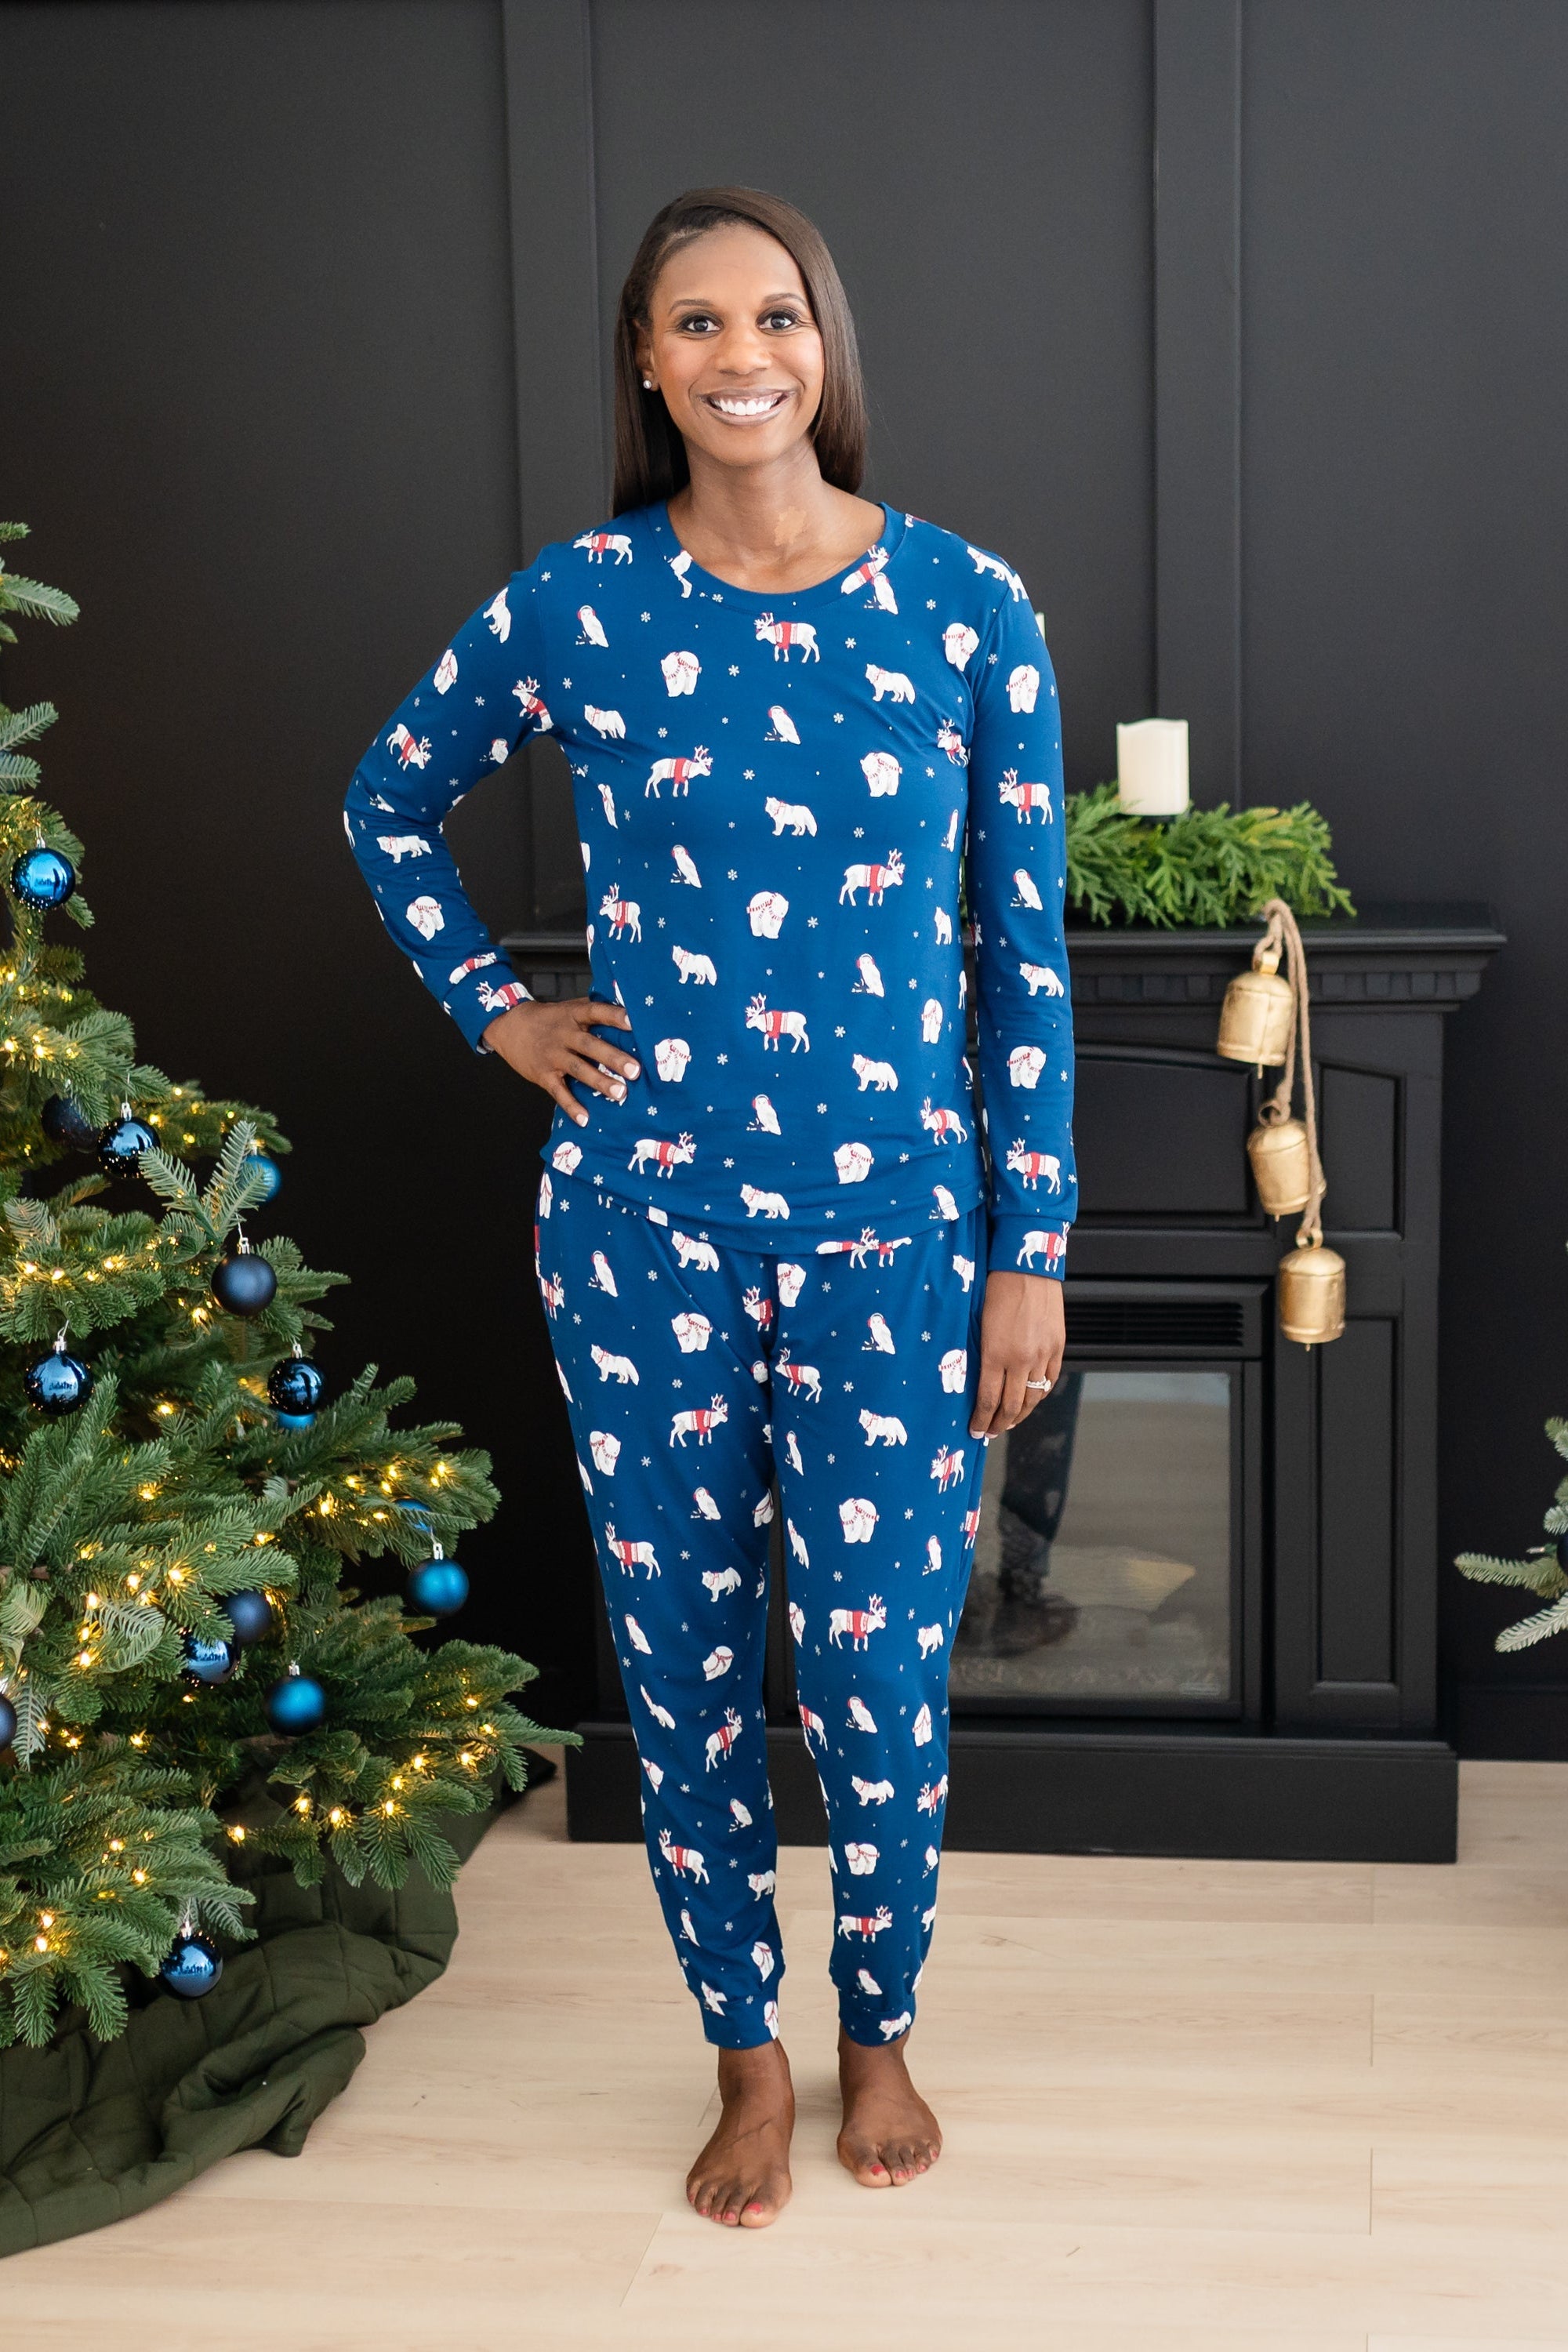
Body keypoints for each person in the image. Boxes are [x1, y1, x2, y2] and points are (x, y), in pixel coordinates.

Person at [344, 185, 1077, 2229]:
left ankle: (879, 2033)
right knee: (679, 1669)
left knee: (878, 1678)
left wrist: (1030, 1249)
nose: (742, 354)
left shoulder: (966, 607)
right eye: (696, 323)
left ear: (824, 347)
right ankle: (744, 2061)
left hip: (900, 1243)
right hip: (641, 1234)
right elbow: (386, 799)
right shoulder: (579, 605)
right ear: (647, 365)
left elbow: (1023, 959)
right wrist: (499, 1013)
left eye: (776, 316)